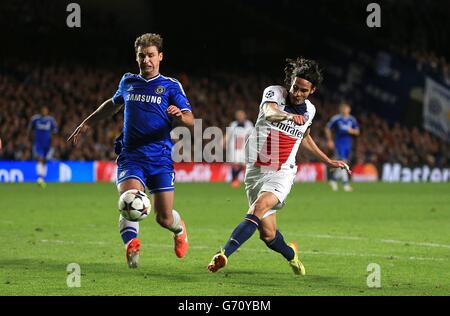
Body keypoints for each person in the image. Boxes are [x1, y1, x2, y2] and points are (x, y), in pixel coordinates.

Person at [207, 57, 350, 275]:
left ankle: (223, 254)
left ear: (312, 91)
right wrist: (289, 116)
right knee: (268, 235)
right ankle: (291, 254)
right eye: (295, 87)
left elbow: (305, 137)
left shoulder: (310, 111)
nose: (297, 93)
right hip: (255, 170)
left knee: (258, 208)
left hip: (281, 171)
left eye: (303, 90)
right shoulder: (274, 93)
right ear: (290, 82)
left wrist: (327, 160)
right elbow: (270, 113)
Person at [68, 33, 194, 268]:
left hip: (160, 158)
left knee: (163, 217)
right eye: (142, 55)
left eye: (151, 55)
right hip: (131, 156)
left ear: (160, 57)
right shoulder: (128, 82)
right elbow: (111, 105)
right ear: (136, 57)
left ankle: (179, 230)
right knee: (128, 201)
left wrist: (180, 116)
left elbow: (191, 120)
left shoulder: (170, 86)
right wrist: (87, 123)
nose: (146, 60)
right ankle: (131, 244)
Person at [324, 101, 359, 192]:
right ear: (341, 110)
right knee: (343, 163)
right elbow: (327, 128)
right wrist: (329, 140)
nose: (345, 110)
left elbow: (357, 131)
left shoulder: (352, 119)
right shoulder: (336, 119)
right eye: (344, 108)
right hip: (339, 144)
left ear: (349, 110)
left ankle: (333, 180)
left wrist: (352, 131)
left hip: (348, 144)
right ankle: (345, 184)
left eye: (347, 108)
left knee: (343, 163)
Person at [29, 106, 58, 188]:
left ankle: (42, 178)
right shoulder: (35, 119)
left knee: (45, 160)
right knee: (39, 159)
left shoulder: (51, 120)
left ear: (47, 112)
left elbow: (55, 131)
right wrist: (31, 139)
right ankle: (40, 178)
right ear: (40, 111)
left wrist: (54, 141)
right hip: (38, 143)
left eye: (45, 111)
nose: (44, 112)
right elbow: (30, 129)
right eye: (42, 110)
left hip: (48, 143)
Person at [225, 110, 254, 188]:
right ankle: (234, 180)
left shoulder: (249, 125)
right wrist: (224, 141)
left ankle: (235, 180)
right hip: (234, 149)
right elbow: (228, 134)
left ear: (245, 116)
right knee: (234, 164)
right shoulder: (233, 124)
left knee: (243, 164)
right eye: (238, 116)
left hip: (244, 149)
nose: (240, 117)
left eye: (241, 115)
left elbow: (252, 136)